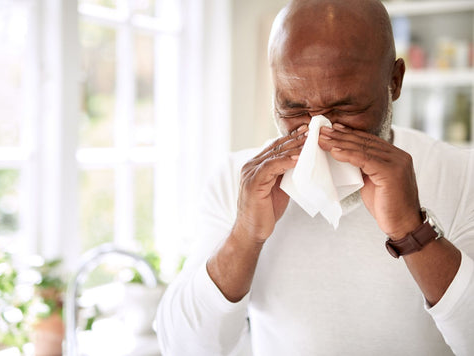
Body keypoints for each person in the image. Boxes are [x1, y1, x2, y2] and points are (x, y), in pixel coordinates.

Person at [156, 0, 474, 354]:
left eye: (345, 108)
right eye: (294, 109)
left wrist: (411, 231)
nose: (318, 133)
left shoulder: (460, 176)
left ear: (394, 82)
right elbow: (183, 346)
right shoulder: (236, 180)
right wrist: (245, 233)